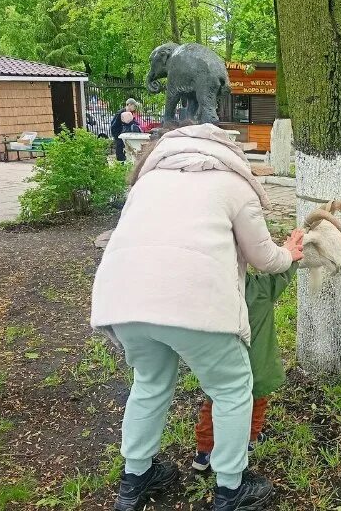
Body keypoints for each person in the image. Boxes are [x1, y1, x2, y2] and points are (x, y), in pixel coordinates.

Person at [91, 123, 303, 511]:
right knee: (233, 388)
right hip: (195, 303)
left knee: (149, 383)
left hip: (124, 299)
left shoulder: (146, 182)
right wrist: (289, 253)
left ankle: (135, 479)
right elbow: (263, 258)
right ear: (227, 150)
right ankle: (230, 489)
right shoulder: (233, 183)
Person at [192, 250, 298, 471]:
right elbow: (283, 273)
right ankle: (250, 440)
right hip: (257, 368)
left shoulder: (206, 294)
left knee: (214, 405)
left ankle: (204, 452)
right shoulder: (261, 289)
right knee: (256, 402)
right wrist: (293, 252)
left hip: (220, 368)